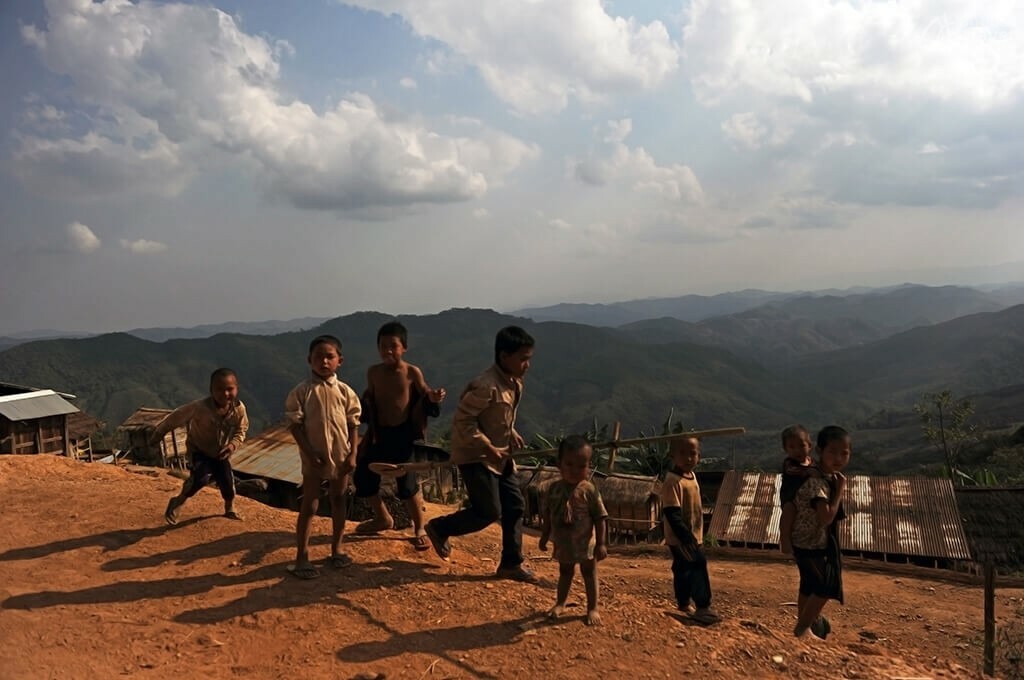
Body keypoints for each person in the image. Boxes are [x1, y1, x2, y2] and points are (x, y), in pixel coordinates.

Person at [424, 325, 538, 583]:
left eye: (529, 358)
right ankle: (440, 527)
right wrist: (488, 447)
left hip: (500, 456)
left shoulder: (513, 383)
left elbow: (497, 417)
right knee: (488, 511)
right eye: (523, 358)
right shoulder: (486, 386)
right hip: (475, 456)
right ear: (504, 356)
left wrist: (510, 432)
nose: (527, 365)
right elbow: (463, 421)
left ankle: (511, 564)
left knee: (515, 506)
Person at [353, 321, 446, 550]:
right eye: (383, 346)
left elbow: (425, 394)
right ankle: (382, 518)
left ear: (403, 347)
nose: (388, 351)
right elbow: (369, 400)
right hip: (378, 434)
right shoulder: (373, 372)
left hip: (403, 435)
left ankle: (419, 528)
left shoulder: (411, 372)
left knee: (406, 483)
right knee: (363, 476)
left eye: (393, 346)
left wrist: (434, 398)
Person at [285, 335, 362, 579]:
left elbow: (353, 424)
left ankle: (337, 549)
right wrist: (310, 454)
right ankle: (302, 557)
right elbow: (295, 426)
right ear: (309, 360)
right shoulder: (302, 391)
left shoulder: (345, 391)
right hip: (314, 458)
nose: (324, 361)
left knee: (339, 499)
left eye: (330, 357)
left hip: (341, 456)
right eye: (318, 357)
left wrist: (353, 454)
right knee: (310, 504)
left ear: (340, 361)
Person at [151, 368, 249, 526]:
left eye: (229, 389)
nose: (225, 394)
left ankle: (230, 507)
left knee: (227, 481)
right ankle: (178, 501)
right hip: (199, 451)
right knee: (199, 479)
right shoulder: (199, 407)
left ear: (237, 389)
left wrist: (232, 445)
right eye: (219, 389)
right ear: (211, 390)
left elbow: (241, 430)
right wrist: (158, 434)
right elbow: (175, 418)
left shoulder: (239, 409)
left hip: (221, 452)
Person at [539, 435, 608, 625]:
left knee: (589, 573)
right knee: (565, 572)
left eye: (581, 466)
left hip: (586, 544)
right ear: (559, 464)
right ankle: (560, 603)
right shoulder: (553, 489)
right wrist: (544, 535)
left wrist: (601, 543)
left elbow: (600, 517)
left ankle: (592, 608)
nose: (574, 470)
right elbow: (548, 514)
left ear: (588, 466)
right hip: (563, 543)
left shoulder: (589, 490)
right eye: (569, 464)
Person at [791, 425, 851, 640]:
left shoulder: (824, 475)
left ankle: (805, 626)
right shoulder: (817, 482)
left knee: (809, 585)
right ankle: (802, 629)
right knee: (826, 586)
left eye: (844, 453)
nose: (838, 458)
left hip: (806, 541)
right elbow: (826, 517)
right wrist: (840, 490)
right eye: (832, 452)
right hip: (811, 543)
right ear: (819, 451)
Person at [660, 437, 720, 625]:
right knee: (698, 564)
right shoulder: (672, 481)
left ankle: (683, 602)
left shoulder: (691, 476)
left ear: (699, 456)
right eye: (682, 453)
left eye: (692, 454)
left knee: (683, 568)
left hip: (693, 535)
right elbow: (672, 514)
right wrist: (686, 538)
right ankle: (703, 606)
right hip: (682, 537)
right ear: (672, 456)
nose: (688, 458)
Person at [778, 424, 815, 555]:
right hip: (791, 495)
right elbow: (793, 471)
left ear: (809, 446)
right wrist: (810, 472)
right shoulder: (789, 463)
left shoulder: (812, 463)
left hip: (807, 498)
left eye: (801, 446)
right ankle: (784, 539)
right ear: (786, 449)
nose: (797, 450)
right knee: (789, 511)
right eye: (792, 447)